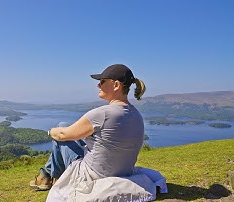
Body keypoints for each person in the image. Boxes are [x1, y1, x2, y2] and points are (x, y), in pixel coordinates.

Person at [29, 64, 167, 201]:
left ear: (116, 85)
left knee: (60, 131)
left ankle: (47, 176)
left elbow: (62, 135)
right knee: (65, 127)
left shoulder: (103, 113)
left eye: (102, 82)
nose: (98, 85)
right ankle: (46, 175)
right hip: (123, 171)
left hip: (92, 175)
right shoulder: (136, 115)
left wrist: (50, 131)